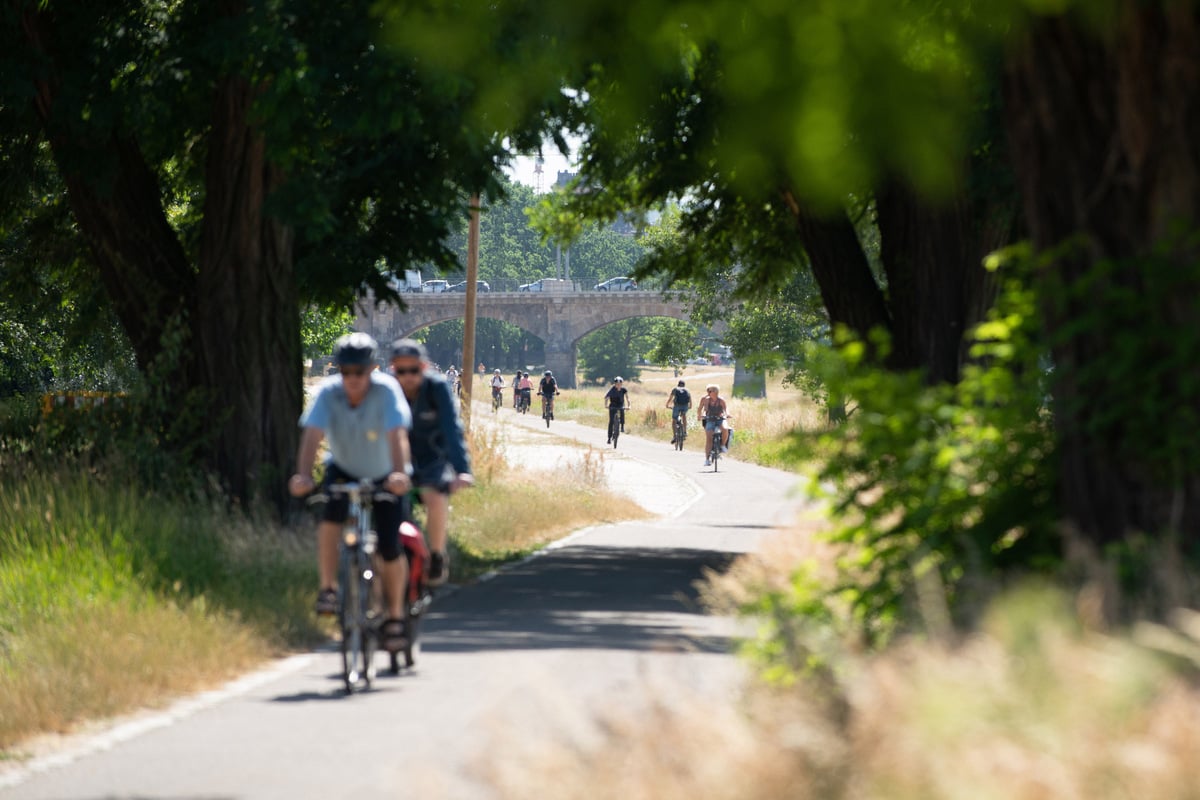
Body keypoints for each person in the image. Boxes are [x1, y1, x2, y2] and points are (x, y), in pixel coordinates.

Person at [289, 333, 413, 650]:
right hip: (343, 467)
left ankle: (396, 616)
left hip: (385, 472)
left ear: (372, 370)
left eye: (359, 372)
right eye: (345, 372)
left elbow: (397, 434)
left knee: (388, 545)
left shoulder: (386, 391)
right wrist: (302, 476)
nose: (352, 379)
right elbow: (312, 435)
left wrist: (399, 474)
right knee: (330, 517)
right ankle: (328, 588)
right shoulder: (328, 393)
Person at [389, 339, 474, 586]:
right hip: (393, 459)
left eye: (413, 370)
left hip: (431, 458)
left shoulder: (436, 388)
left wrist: (462, 471)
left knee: (436, 497)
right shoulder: (385, 390)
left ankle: (437, 556)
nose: (407, 377)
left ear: (424, 367)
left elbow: (452, 429)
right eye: (400, 371)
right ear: (392, 368)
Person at [696, 383, 731, 466]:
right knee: (709, 438)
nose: (708, 392)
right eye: (708, 391)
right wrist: (699, 415)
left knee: (725, 428)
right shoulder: (706, 400)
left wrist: (727, 414)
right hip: (710, 419)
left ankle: (722, 445)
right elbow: (700, 409)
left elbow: (726, 409)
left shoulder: (721, 400)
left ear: (715, 392)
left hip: (720, 419)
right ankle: (707, 459)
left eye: (710, 391)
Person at [665, 380, 692, 444]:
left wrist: (667, 405)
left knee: (674, 420)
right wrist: (690, 406)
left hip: (677, 406)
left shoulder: (675, 389)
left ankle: (674, 436)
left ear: (678, 384)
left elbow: (670, 398)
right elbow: (690, 399)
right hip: (685, 406)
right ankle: (685, 431)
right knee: (684, 416)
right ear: (684, 385)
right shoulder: (687, 390)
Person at [604, 377, 630, 443]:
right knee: (611, 421)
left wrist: (629, 406)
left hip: (620, 405)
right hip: (613, 406)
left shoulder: (624, 390)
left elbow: (627, 398)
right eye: (617, 384)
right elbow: (607, 397)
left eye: (620, 384)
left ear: (621, 384)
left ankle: (622, 427)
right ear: (615, 384)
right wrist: (606, 405)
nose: (618, 385)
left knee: (622, 411)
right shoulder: (612, 390)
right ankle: (609, 438)